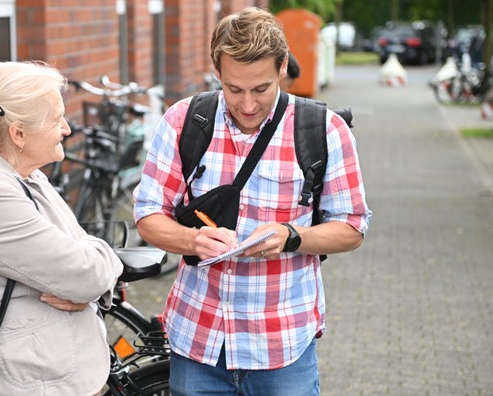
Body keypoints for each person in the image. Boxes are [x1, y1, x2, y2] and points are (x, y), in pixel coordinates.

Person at [133, 7, 371, 395]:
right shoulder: (184, 121)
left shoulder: (324, 130)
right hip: (197, 341)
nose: (247, 105)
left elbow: (352, 227)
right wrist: (192, 241)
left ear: (282, 69)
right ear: (217, 73)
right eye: (233, 89)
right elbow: (147, 215)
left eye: (260, 89)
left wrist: (291, 236)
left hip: (282, 348)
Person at [0, 61, 123, 395]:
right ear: (18, 134)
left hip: (55, 372)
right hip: (33, 384)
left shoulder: (25, 175)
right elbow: (87, 273)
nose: (67, 129)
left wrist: (86, 284)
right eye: (56, 120)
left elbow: (84, 266)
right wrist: (89, 280)